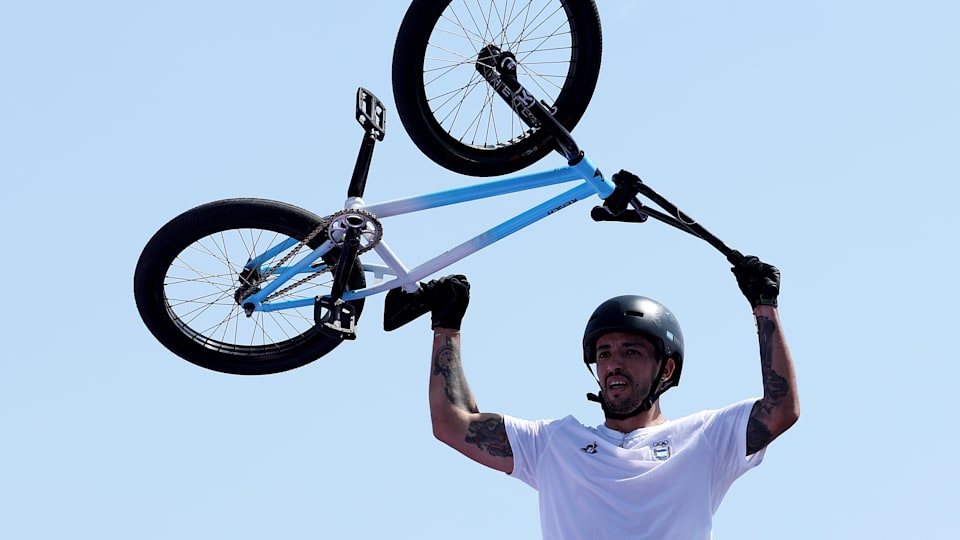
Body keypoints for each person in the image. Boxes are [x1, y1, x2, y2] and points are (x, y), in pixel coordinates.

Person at [415, 254, 798, 539]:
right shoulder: (554, 443)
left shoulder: (706, 438)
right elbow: (452, 423)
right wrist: (446, 326)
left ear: (666, 370)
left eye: (631, 351)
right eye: (604, 353)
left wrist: (764, 306)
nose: (614, 364)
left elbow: (780, 409)